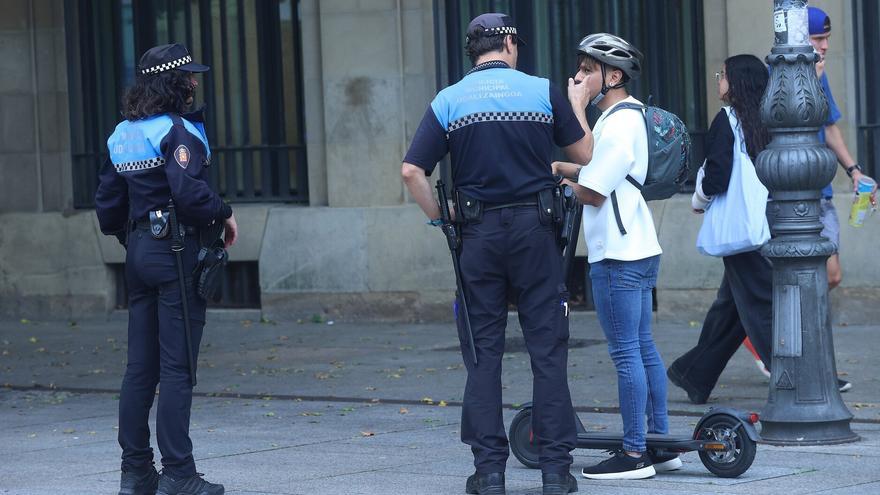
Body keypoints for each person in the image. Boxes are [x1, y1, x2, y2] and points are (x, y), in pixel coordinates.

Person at [401, 13, 591, 495]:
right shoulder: (543, 90)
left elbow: (411, 172)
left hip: (477, 235)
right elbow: (585, 155)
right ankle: (554, 471)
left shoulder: (449, 100)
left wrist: (440, 219)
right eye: (516, 43)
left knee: (483, 354)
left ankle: (489, 472)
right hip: (536, 232)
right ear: (507, 43)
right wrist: (577, 103)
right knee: (547, 351)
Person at [95, 43, 237, 495]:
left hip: (138, 252)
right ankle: (178, 474)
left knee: (140, 368)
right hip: (175, 251)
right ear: (173, 83)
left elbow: (107, 209)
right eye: (189, 76)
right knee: (177, 370)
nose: (195, 83)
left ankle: (136, 472)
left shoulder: (121, 134)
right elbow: (190, 194)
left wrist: (136, 237)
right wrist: (225, 210)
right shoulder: (178, 131)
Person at [552, 33, 679, 480]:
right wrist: (562, 168)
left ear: (614, 75)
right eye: (580, 69)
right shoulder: (624, 117)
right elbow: (598, 168)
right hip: (638, 247)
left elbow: (593, 190)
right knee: (642, 348)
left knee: (627, 353)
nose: (579, 77)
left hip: (619, 256)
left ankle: (633, 453)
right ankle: (660, 443)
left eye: (588, 71)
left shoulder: (617, 122)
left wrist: (572, 110)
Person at [666, 55, 774, 405]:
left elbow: (716, 175)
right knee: (730, 308)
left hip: (741, 231)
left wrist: (699, 199)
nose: (718, 81)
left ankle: (791, 376)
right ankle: (695, 374)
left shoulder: (727, 120)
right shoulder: (766, 120)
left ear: (737, 82)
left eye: (722, 75)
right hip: (763, 224)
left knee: (758, 306)